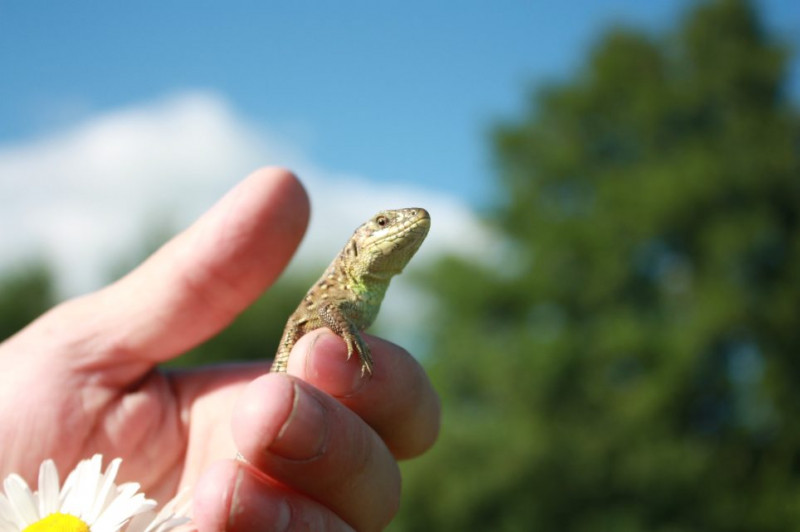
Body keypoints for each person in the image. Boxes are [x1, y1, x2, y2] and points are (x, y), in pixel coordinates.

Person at [0, 167, 441, 531]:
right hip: (288, 378)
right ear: (358, 245)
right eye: (383, 223)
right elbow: (325, 315)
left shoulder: (366, 288)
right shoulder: (338, 293)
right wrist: (348, 336)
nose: (401, 225)